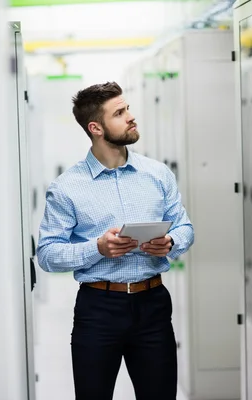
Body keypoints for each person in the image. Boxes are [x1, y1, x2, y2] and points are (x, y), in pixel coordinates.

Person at [36, 82, 194, 400]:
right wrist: (97, 248)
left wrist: (171, 243)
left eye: (128, 108)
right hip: (98, 310)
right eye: (119, 113)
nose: (131, 117)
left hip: (153, 305)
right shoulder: (67, 187)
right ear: (95, 128)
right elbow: (48, 254)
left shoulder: (158, 174)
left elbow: (185, 227)